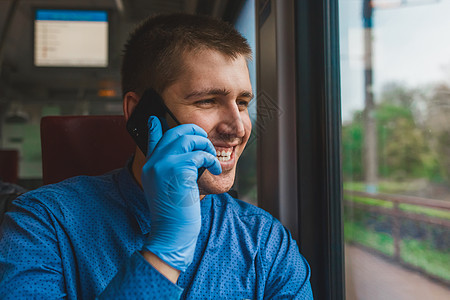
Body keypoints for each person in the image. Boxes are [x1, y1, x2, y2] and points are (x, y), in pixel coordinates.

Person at [0, 13, 313, 299]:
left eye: (242, 102)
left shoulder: (265, 242)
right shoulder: (42, 222)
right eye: (207, 100)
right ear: (140, 113)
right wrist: (167, 249)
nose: (238, 127)